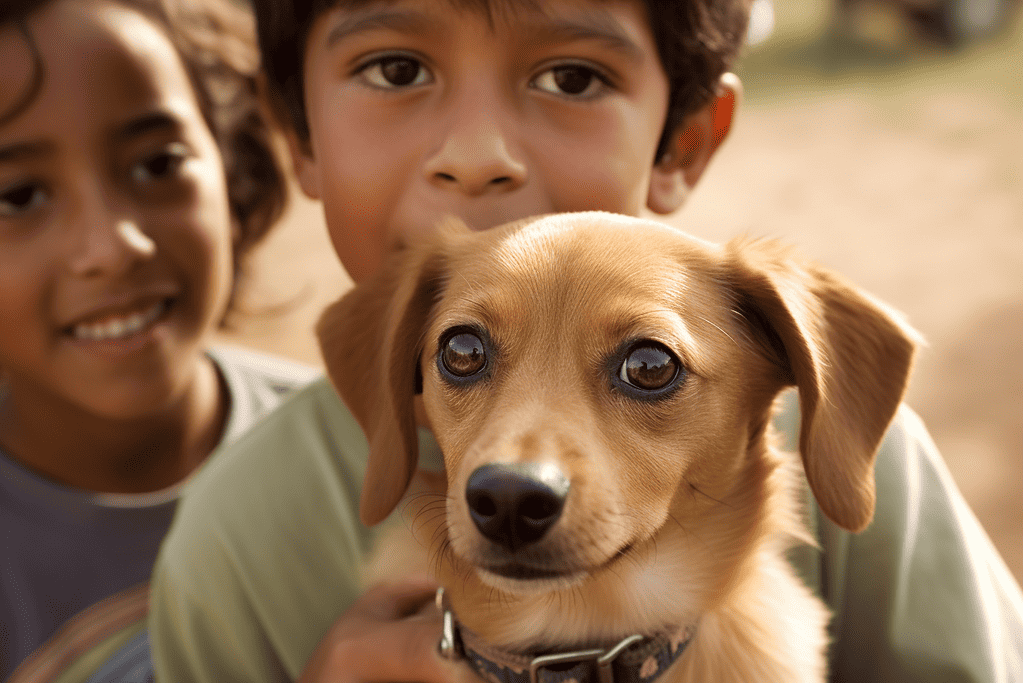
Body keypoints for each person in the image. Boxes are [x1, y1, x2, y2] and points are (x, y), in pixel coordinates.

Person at [148, 0, 1023, 681]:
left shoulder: (852, 446)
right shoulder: (232, 547)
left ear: (682, 140)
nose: (478, 153)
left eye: (647, 367)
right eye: (464, 356)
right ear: (295, 126)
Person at [0, 0, 321, 680]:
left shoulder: (363, 460)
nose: (116, 246)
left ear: (230, 160)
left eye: (157, 163)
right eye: (20, 196)